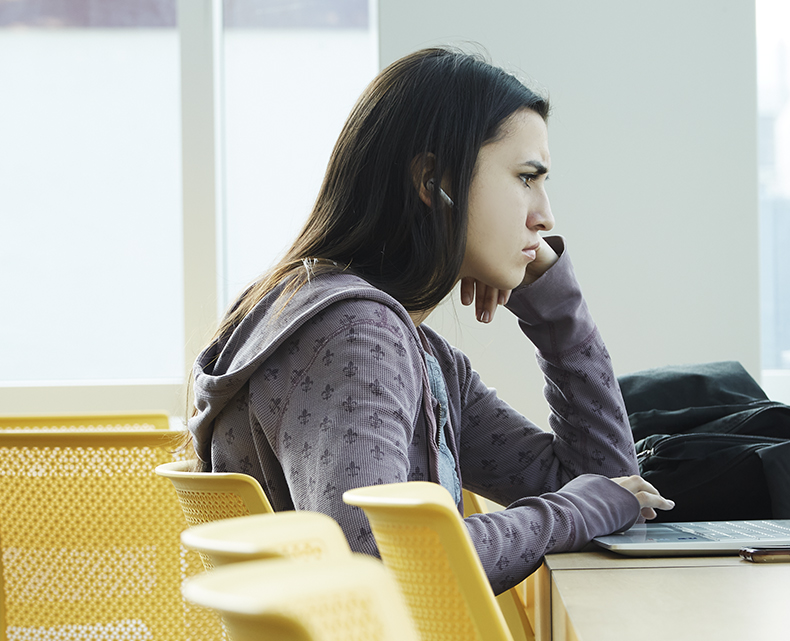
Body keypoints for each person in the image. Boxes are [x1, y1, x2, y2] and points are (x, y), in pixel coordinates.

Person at [188, 47, 673, 593]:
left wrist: (556, 311)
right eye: (525, 178)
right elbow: (380, 561)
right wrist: (572, 513)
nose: (545, 216)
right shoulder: (356, 338)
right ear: (433, 181)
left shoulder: (408, 349)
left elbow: (606, 485)